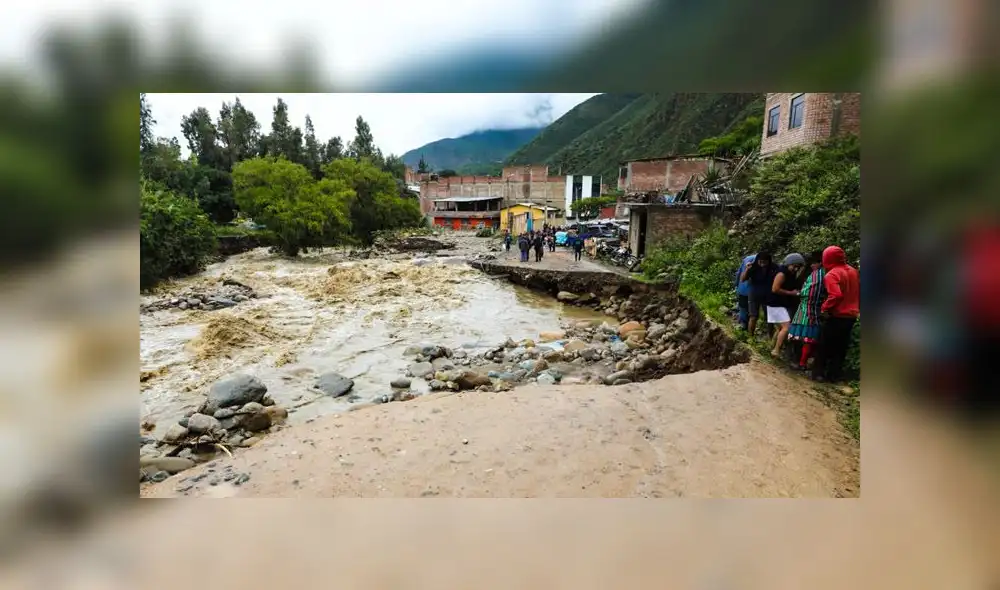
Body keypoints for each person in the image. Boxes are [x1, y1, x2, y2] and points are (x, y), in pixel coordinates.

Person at [812, 245, 860, 383]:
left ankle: (819, 374)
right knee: (841, 347)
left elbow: (835, 295)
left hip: (836, 315)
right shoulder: (853, 271)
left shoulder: (832, 274)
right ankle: (834, 375)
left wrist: (824, 308)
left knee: (824, 345)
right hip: (851, 316)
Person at [788, 251, 826, 371]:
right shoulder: (822, 274)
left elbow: (809, 293)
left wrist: (799, 293)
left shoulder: (818, 276)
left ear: (820, 263)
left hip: (808, 310)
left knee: (806, 339)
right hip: (813, 310)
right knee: (807, 339)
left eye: (814, 263)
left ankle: (801, 363)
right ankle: (802, 361)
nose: (811, 265)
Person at [766, 253, 806, 358]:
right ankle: (776, 350)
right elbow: (775, 289)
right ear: (789, 263)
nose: (796, 269)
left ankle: (771, 347)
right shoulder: (781, 274)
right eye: (794, 266)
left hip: (780, 304)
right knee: (786, 328)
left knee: (781, 329)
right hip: (775, 304)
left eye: (798, 267)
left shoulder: (790, 274)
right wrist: (791, 293)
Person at [740, 252, 777, 339]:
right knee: (753, 316)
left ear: (769, 261)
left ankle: (770, 337)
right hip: (754, 294)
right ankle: (750, 337)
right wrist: (747, 269)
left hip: (768, 295)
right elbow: (742, 279)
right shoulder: (753, 267)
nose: (762, 264)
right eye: (760, 262)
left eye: (765, 262)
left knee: (769, 318)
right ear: (758, 261)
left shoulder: (774, 268)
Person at [735, 254, 756, 330]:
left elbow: (739, 273)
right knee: (752, 311)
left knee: (743, 307)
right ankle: (747, 326)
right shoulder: (763, 262)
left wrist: (736, 284)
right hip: (753, 291)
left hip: (743, 288)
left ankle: (744, 324)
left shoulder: (747, 259)